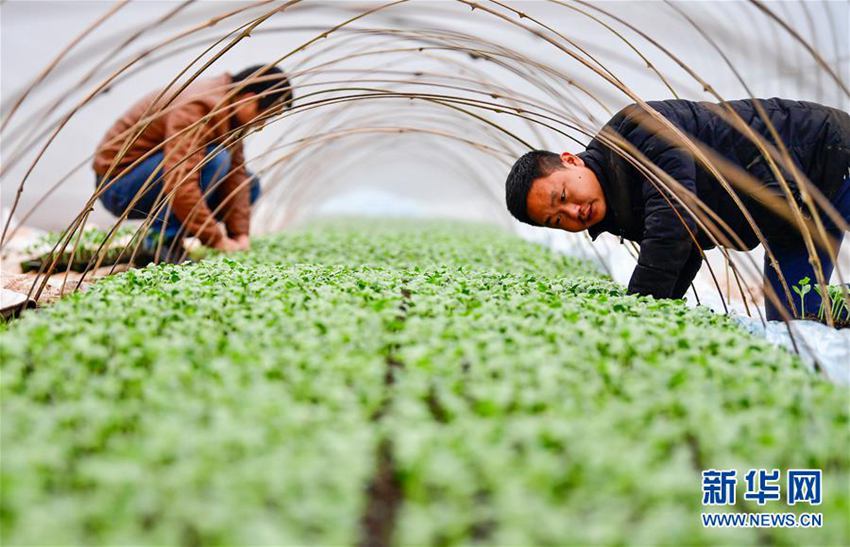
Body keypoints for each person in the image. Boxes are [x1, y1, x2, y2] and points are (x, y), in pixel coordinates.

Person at [504, 98, 850, 320]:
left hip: (823, 160)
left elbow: (675, 215)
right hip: (788, 214)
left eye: (563, 197)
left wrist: (637, 313)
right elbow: (687, 249)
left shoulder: (638, 131)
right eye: (557, 220)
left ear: (569, 160)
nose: (573, 212)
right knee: (795, 314)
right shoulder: (619, 205)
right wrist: (660, 311)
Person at [93, 64, 294, 259]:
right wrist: (215, 239)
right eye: (265, 115)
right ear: (250, 99)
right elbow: (180, 178)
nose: (262, 124)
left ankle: (173, 237)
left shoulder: (231, 112)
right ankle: (160, 239)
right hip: (118, 186)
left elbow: (236, 175)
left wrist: (239, 234)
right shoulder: (198, 106)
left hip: (157, 178)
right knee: (214, 160)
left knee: (249, 185)